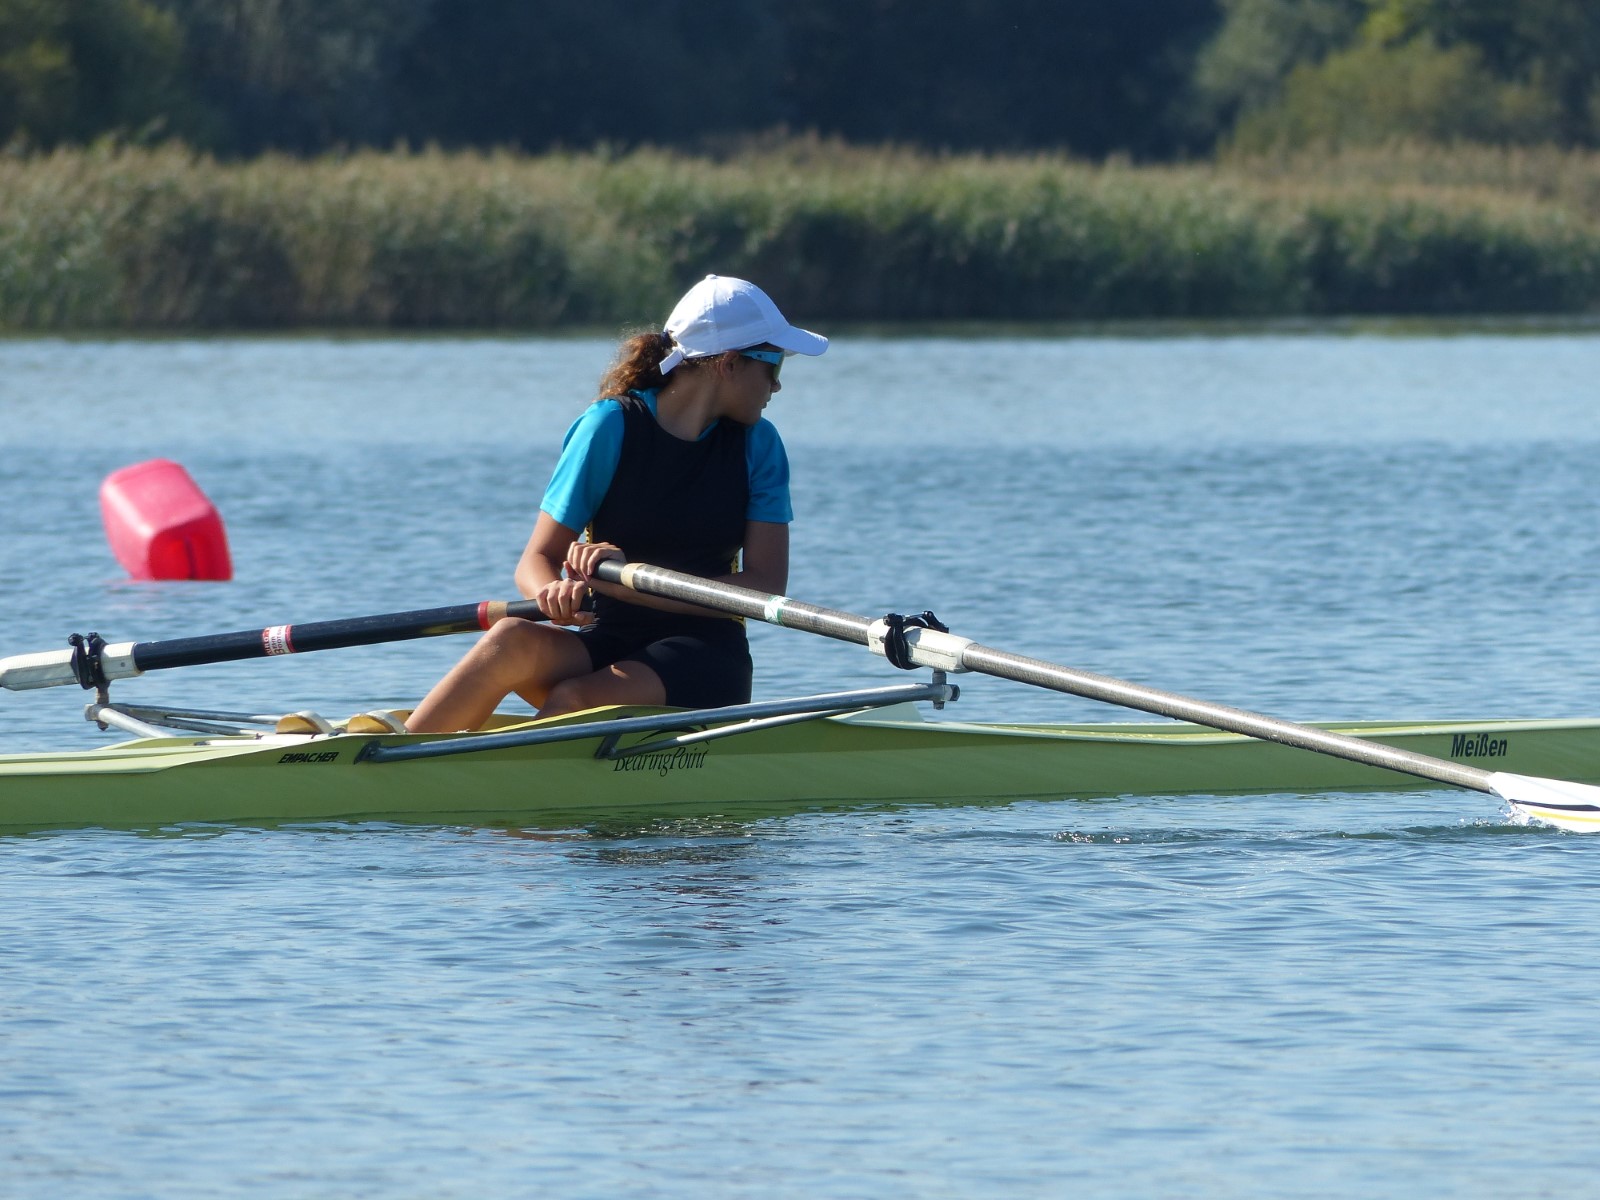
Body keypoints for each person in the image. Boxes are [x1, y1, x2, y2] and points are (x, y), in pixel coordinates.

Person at [405, 275, 828, 732]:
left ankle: (485, 766)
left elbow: (765, 586)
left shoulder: (758, 446)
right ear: (728, 363)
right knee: (508, 639)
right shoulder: (609, 426)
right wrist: (552, 594)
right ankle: (390, 759)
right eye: (773, 366)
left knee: (574, 699)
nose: (776, 386)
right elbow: (537, 559)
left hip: (704, 653)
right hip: (608, 636)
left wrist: (629, 589)